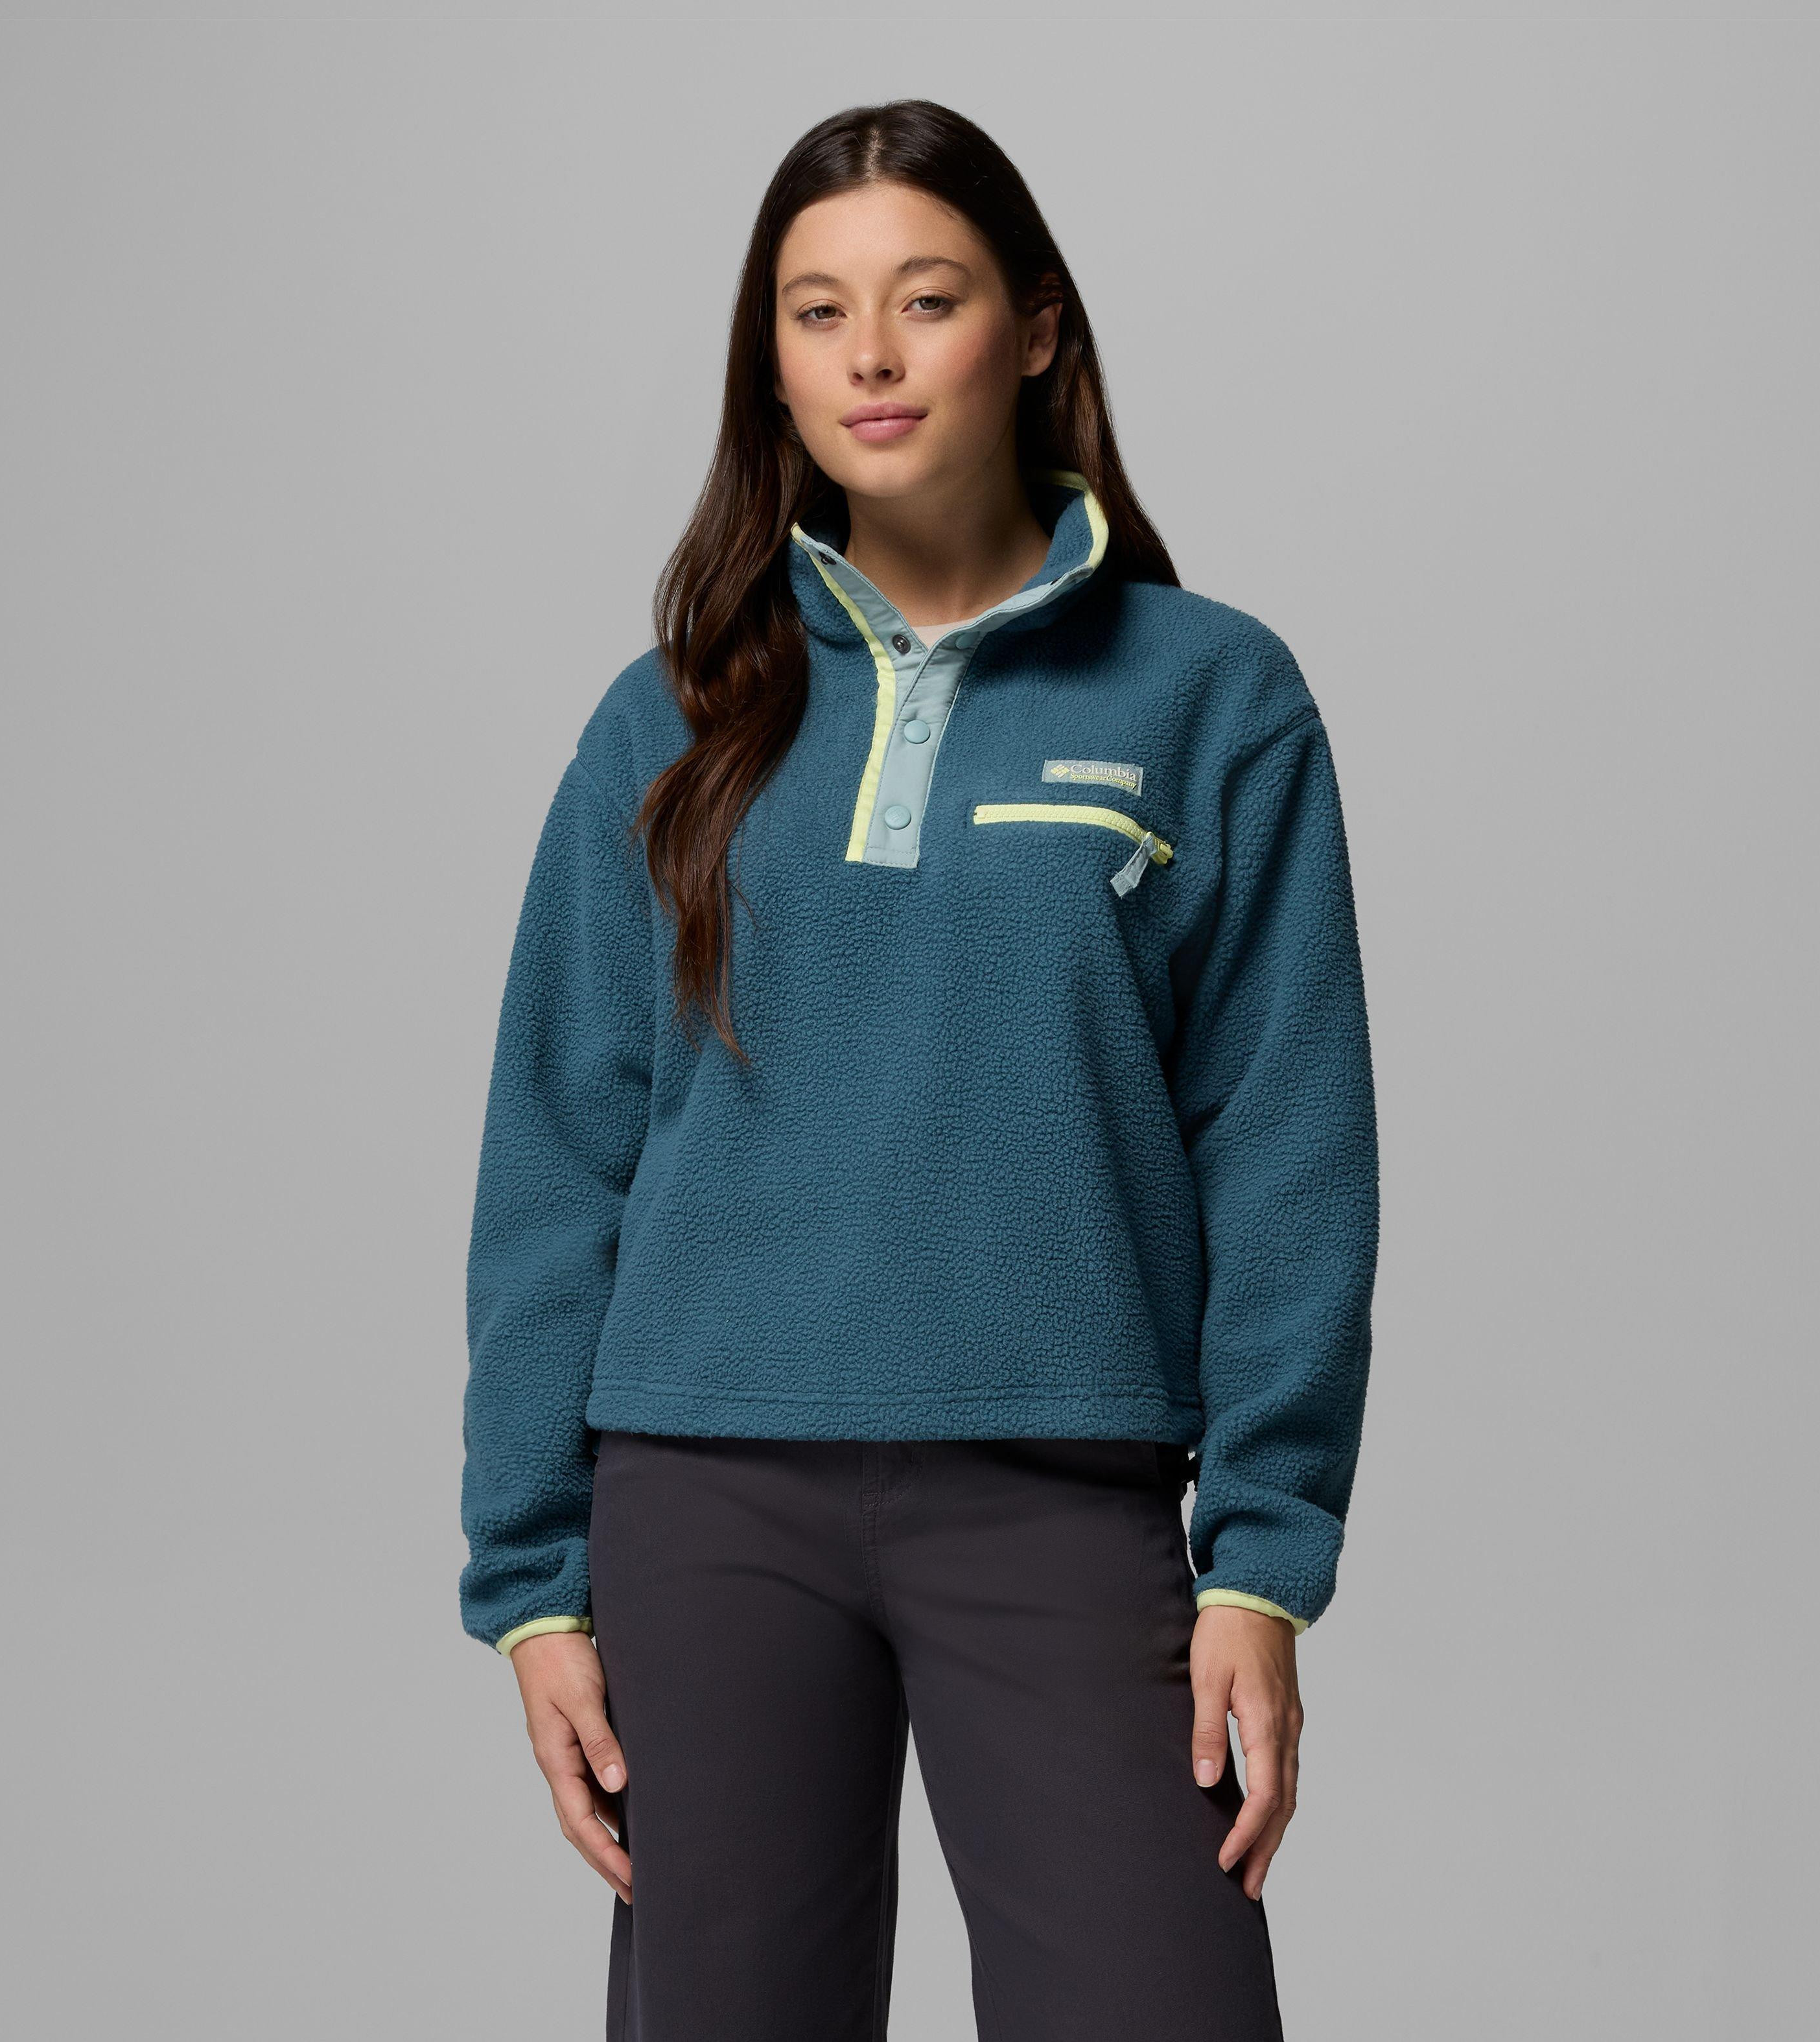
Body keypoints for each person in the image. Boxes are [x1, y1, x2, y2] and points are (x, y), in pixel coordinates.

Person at [458, 97, 1379, 2042]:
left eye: (926, 299)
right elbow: (561, 1147)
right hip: (703, 1494)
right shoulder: (669, 716)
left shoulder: (1213, 694)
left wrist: (1264, 1563)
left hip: (1061, 1480)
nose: (870, 356)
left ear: (1033, 330)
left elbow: (1286, 1143)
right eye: (818, 312)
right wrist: (533, 1581)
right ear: (774, 365)